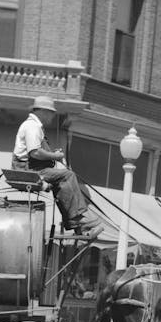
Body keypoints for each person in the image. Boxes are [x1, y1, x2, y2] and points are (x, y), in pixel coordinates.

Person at [11, 96, 104, 238]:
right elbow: (35, 152)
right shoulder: (32, 126)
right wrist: (55, 156)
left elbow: (36, 152)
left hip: (31, 167)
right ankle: (81, 221)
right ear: (43, 111)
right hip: (27, 169)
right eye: (51, 113)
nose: (53, 116)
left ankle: (78, 225)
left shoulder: (34, 126)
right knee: (67, 175)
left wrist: (52, 154)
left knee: (61, 181)